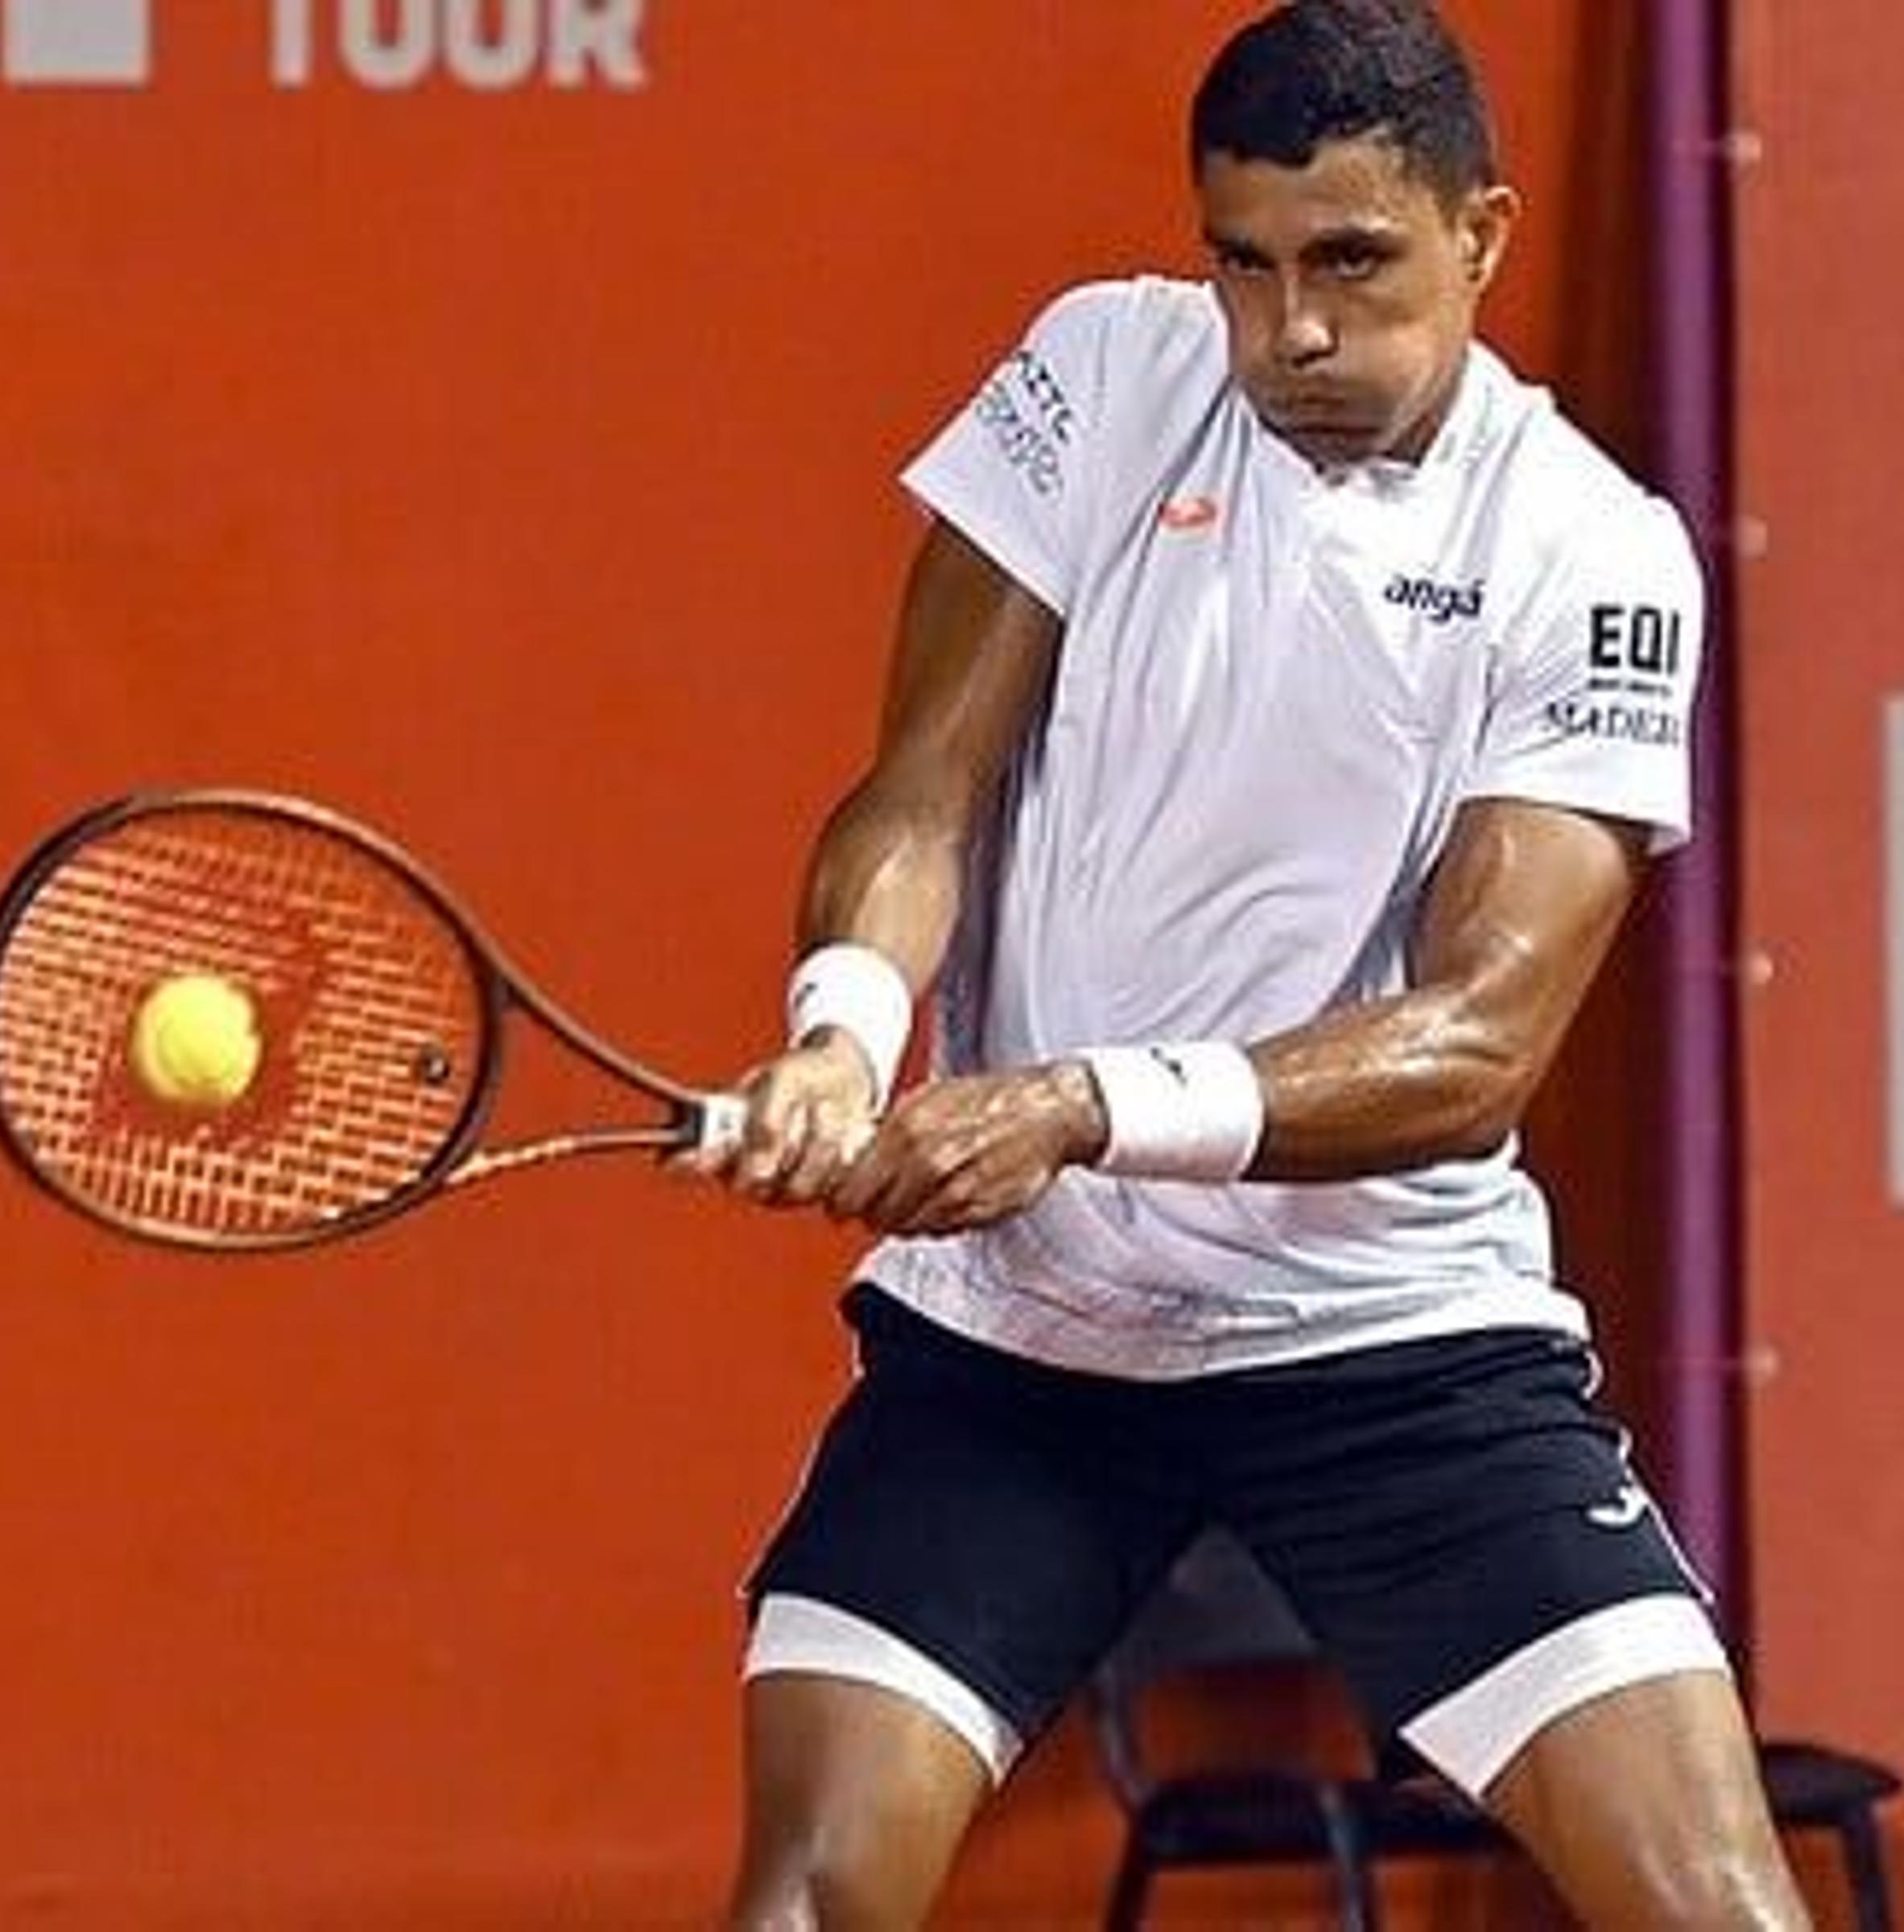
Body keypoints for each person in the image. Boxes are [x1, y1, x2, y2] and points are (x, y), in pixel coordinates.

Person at [688, 2, 1811, 1924]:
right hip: (1022, 1348)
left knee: (1718, 1907)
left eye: (1354, 264)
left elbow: (1475, 1048)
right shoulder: (1105, 373)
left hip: (1398, 1352)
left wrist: (1075, 1104)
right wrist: (838, 1033)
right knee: (806, 1902)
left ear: (1486, 233)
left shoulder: (1590, 552)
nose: (1292, 330)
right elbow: (918, 801)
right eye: (1248, 263)